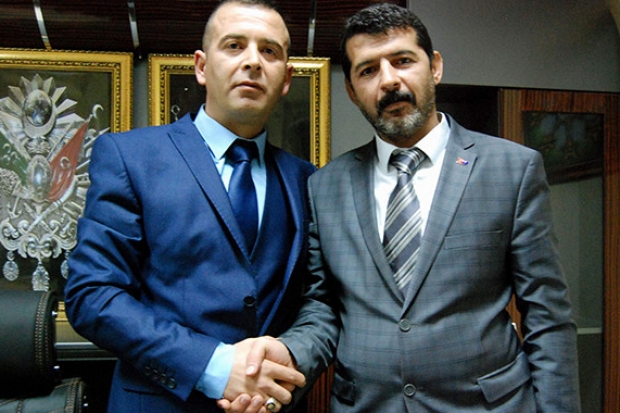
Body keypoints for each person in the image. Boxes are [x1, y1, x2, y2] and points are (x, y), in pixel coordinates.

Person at [222, 3, 581, 412]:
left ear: (435, 67)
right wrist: (289, 356)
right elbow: (324, 306)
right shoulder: (325, 186)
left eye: (403, 61)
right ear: (351, 90)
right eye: (368, 70)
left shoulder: (511, 169)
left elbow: (548, 316)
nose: (389, 80)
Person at [63, 0, 312, 412]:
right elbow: (92, 295)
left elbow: (314, 303)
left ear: (285, 78)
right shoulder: (131, 157)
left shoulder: (305, 179)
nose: (253, 61)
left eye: (269, 51)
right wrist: (215, 366)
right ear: (201, 66)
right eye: (234, 46)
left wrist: (278, 369)